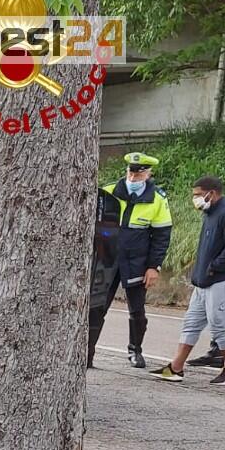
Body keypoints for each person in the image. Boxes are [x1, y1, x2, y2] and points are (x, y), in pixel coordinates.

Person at [88, 153, 173, 368]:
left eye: (140, 173)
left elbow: (162, 236)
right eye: (131, 172)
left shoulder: (157, 199)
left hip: (137, 262)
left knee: (137, 310)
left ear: (148, 173)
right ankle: (87, 352)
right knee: (97, 307)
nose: (134, 177)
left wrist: (154, 266)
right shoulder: (107, 193)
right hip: (106, 259)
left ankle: (135, 350)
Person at [149, 176, 225, 386]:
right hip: (202, 281)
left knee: (220, 326)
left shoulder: (224, 212)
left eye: (198, 195)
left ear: (212, 192)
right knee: (191, 324)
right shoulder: (209, 213)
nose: (196, 199)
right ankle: (176, 367)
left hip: (219, 280)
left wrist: (214, 267)